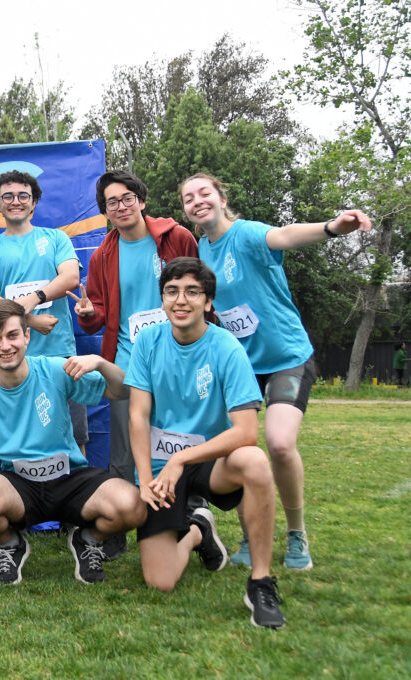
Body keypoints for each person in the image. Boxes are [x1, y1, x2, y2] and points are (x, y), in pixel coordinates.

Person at [181, 173, 371, 571]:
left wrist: (333, 227)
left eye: (204, 193)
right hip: (243, 366)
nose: (197, 201)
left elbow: (284, 236)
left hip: (287, 357)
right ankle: (253, 535)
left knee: (280, 444)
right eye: (188, 198)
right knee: (243, 451)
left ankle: (297, 533)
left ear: (220, 197)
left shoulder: (247, 234)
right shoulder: (202, 249)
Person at [0, 299, 144, 585]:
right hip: (20, 486)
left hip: (70, 478)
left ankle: (87, 539)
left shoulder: (55, 370)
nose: (5, 346)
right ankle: (11, 545)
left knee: (132, 504)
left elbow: (122, 392)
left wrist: (102, 364)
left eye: (12, 335)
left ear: (26, 336)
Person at [125, 257, 285, 629]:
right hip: (162, 472)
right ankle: (199, 530)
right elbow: (138, 415)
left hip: (212, 464)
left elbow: (246, 431)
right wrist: (147, 478)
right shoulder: (147, 341)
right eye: (172, 291)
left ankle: (261, 581)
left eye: (192, 292)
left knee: (255, 461)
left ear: (208, 302)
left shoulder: (228, 348)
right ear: (162, 300)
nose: (181, 300)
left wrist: (182, 460)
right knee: (160, 581)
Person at [73, 170, 198, 483]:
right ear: (105, 212)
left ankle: (190, 510)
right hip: (128, 364)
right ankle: (120, 519)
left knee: (181, 437)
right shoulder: (102, 256)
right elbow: (98, 315)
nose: (121, 206)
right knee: (124, 449)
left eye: (127, 198)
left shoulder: (176, 237)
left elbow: (201, 290)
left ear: (141, 201)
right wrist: (88, 314)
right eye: (111, 203)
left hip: (179, 357)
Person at [0, 169, 89, 464]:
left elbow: (70, 277)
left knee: (73, 436)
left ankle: (77, 498)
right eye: (7, 196)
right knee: (17, 436)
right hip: (9, 358)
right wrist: (29, 320)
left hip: (60, 356)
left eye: (23, 195)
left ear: (34, 201)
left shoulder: (55, 238)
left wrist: (32, 299)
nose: (15, 201)